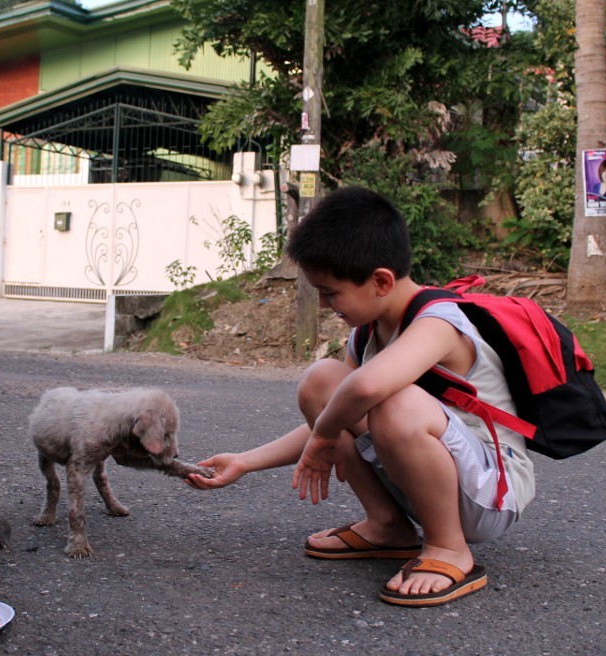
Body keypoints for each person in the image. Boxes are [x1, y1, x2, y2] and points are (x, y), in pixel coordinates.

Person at [186, 186, 535, 607]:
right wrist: (246, 461)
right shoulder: (367, 334)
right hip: (428, 479)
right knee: (323, 383)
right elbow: (335, 412)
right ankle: (388, 525)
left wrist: (324, 435)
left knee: (391, 401)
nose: (324, 302)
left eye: (330, 292)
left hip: (489, 492)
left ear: (381, 281)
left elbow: (367, 392)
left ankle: (448, 548)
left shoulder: (440, 323)